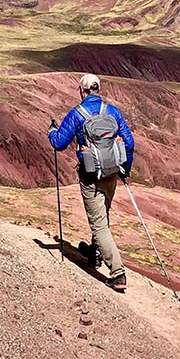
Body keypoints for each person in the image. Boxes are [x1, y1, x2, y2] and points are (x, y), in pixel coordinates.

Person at [48, 73, 135, 291]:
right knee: (103, 214)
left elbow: (59, 143)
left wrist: (51, 132)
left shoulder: (77, 114)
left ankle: (118, 273)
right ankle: (95, 254)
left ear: (82, 90)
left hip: (90, 175)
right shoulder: (112, 111)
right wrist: (125, 169)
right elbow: (129, 142)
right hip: (112, 172)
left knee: (98, 224)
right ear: (98, 89)